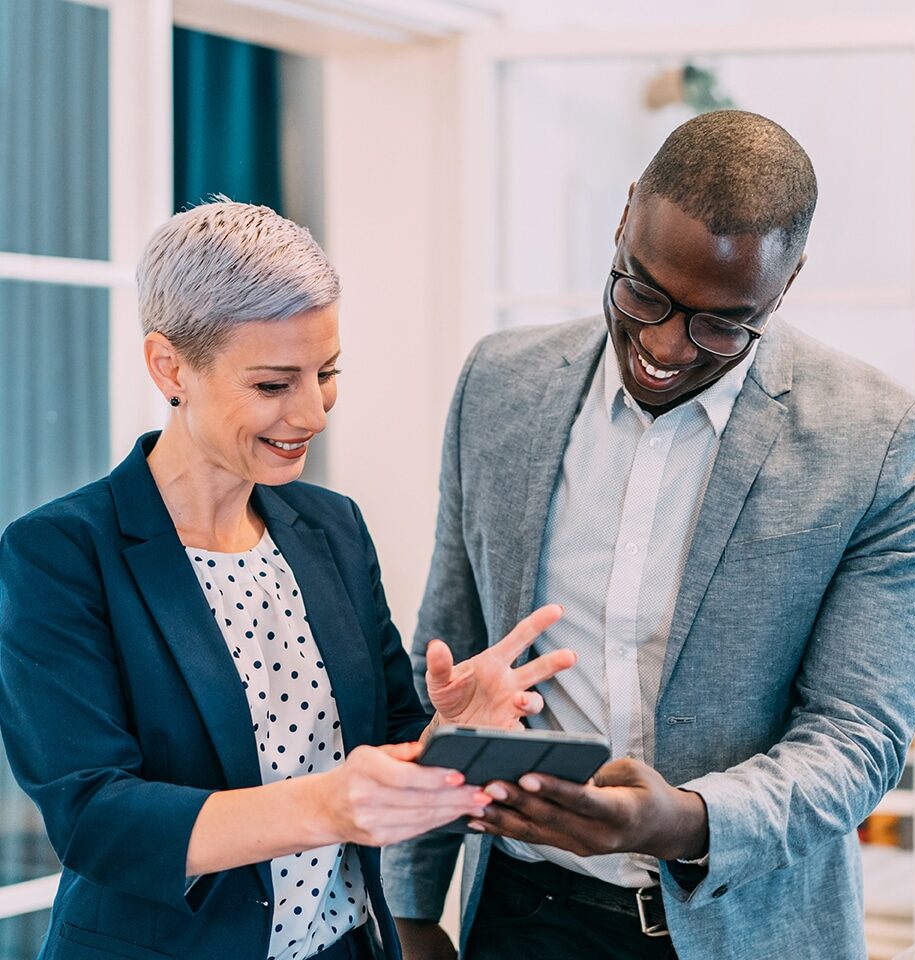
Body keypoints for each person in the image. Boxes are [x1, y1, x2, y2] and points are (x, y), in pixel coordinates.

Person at [381, 110, 915, 960]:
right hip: (523, 915)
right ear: (622, 220)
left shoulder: (882, 444)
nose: (662, 345)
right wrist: (412, 909)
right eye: (640, 290)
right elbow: (454, 662)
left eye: (721, 323)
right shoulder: (499, 386)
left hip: (748, 926)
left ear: (786, 285)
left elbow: (856, 736)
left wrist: (681, 821)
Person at [0, 200, 577, 960]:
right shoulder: (60, 554)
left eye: (327, 373)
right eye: (274, 384)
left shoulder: (331, 528)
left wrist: (450, 736)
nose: (313, 411)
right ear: (170, 367)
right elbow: (96, 819)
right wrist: (326, 807)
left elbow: (385, 749)